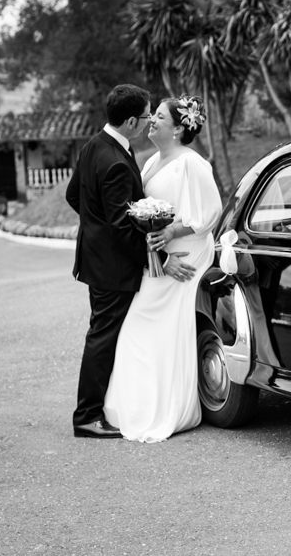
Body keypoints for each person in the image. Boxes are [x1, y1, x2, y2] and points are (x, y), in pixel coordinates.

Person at [67, 84, 196, 439]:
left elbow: (72, 194)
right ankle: (87, 417)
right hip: (111, 267)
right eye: (145, 116)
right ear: (128, 121)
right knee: (103, 338)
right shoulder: (115, 163)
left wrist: (95, 229)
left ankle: (96, 410)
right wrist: (162, 259)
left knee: (102, 334)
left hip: (96, 260)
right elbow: (123, 227)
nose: (148, 121)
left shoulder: (95, 145)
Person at [103, 95, 222, 442]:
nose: (150, 121)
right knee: (138, 329)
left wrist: (171, 231)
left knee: (163, 328)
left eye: (158, 116)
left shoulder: (193, 164)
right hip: (158, 257)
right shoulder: (152, 161)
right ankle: (135, 406)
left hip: (184, 257)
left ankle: (169, 408)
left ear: (178, 128)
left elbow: (209, 213)